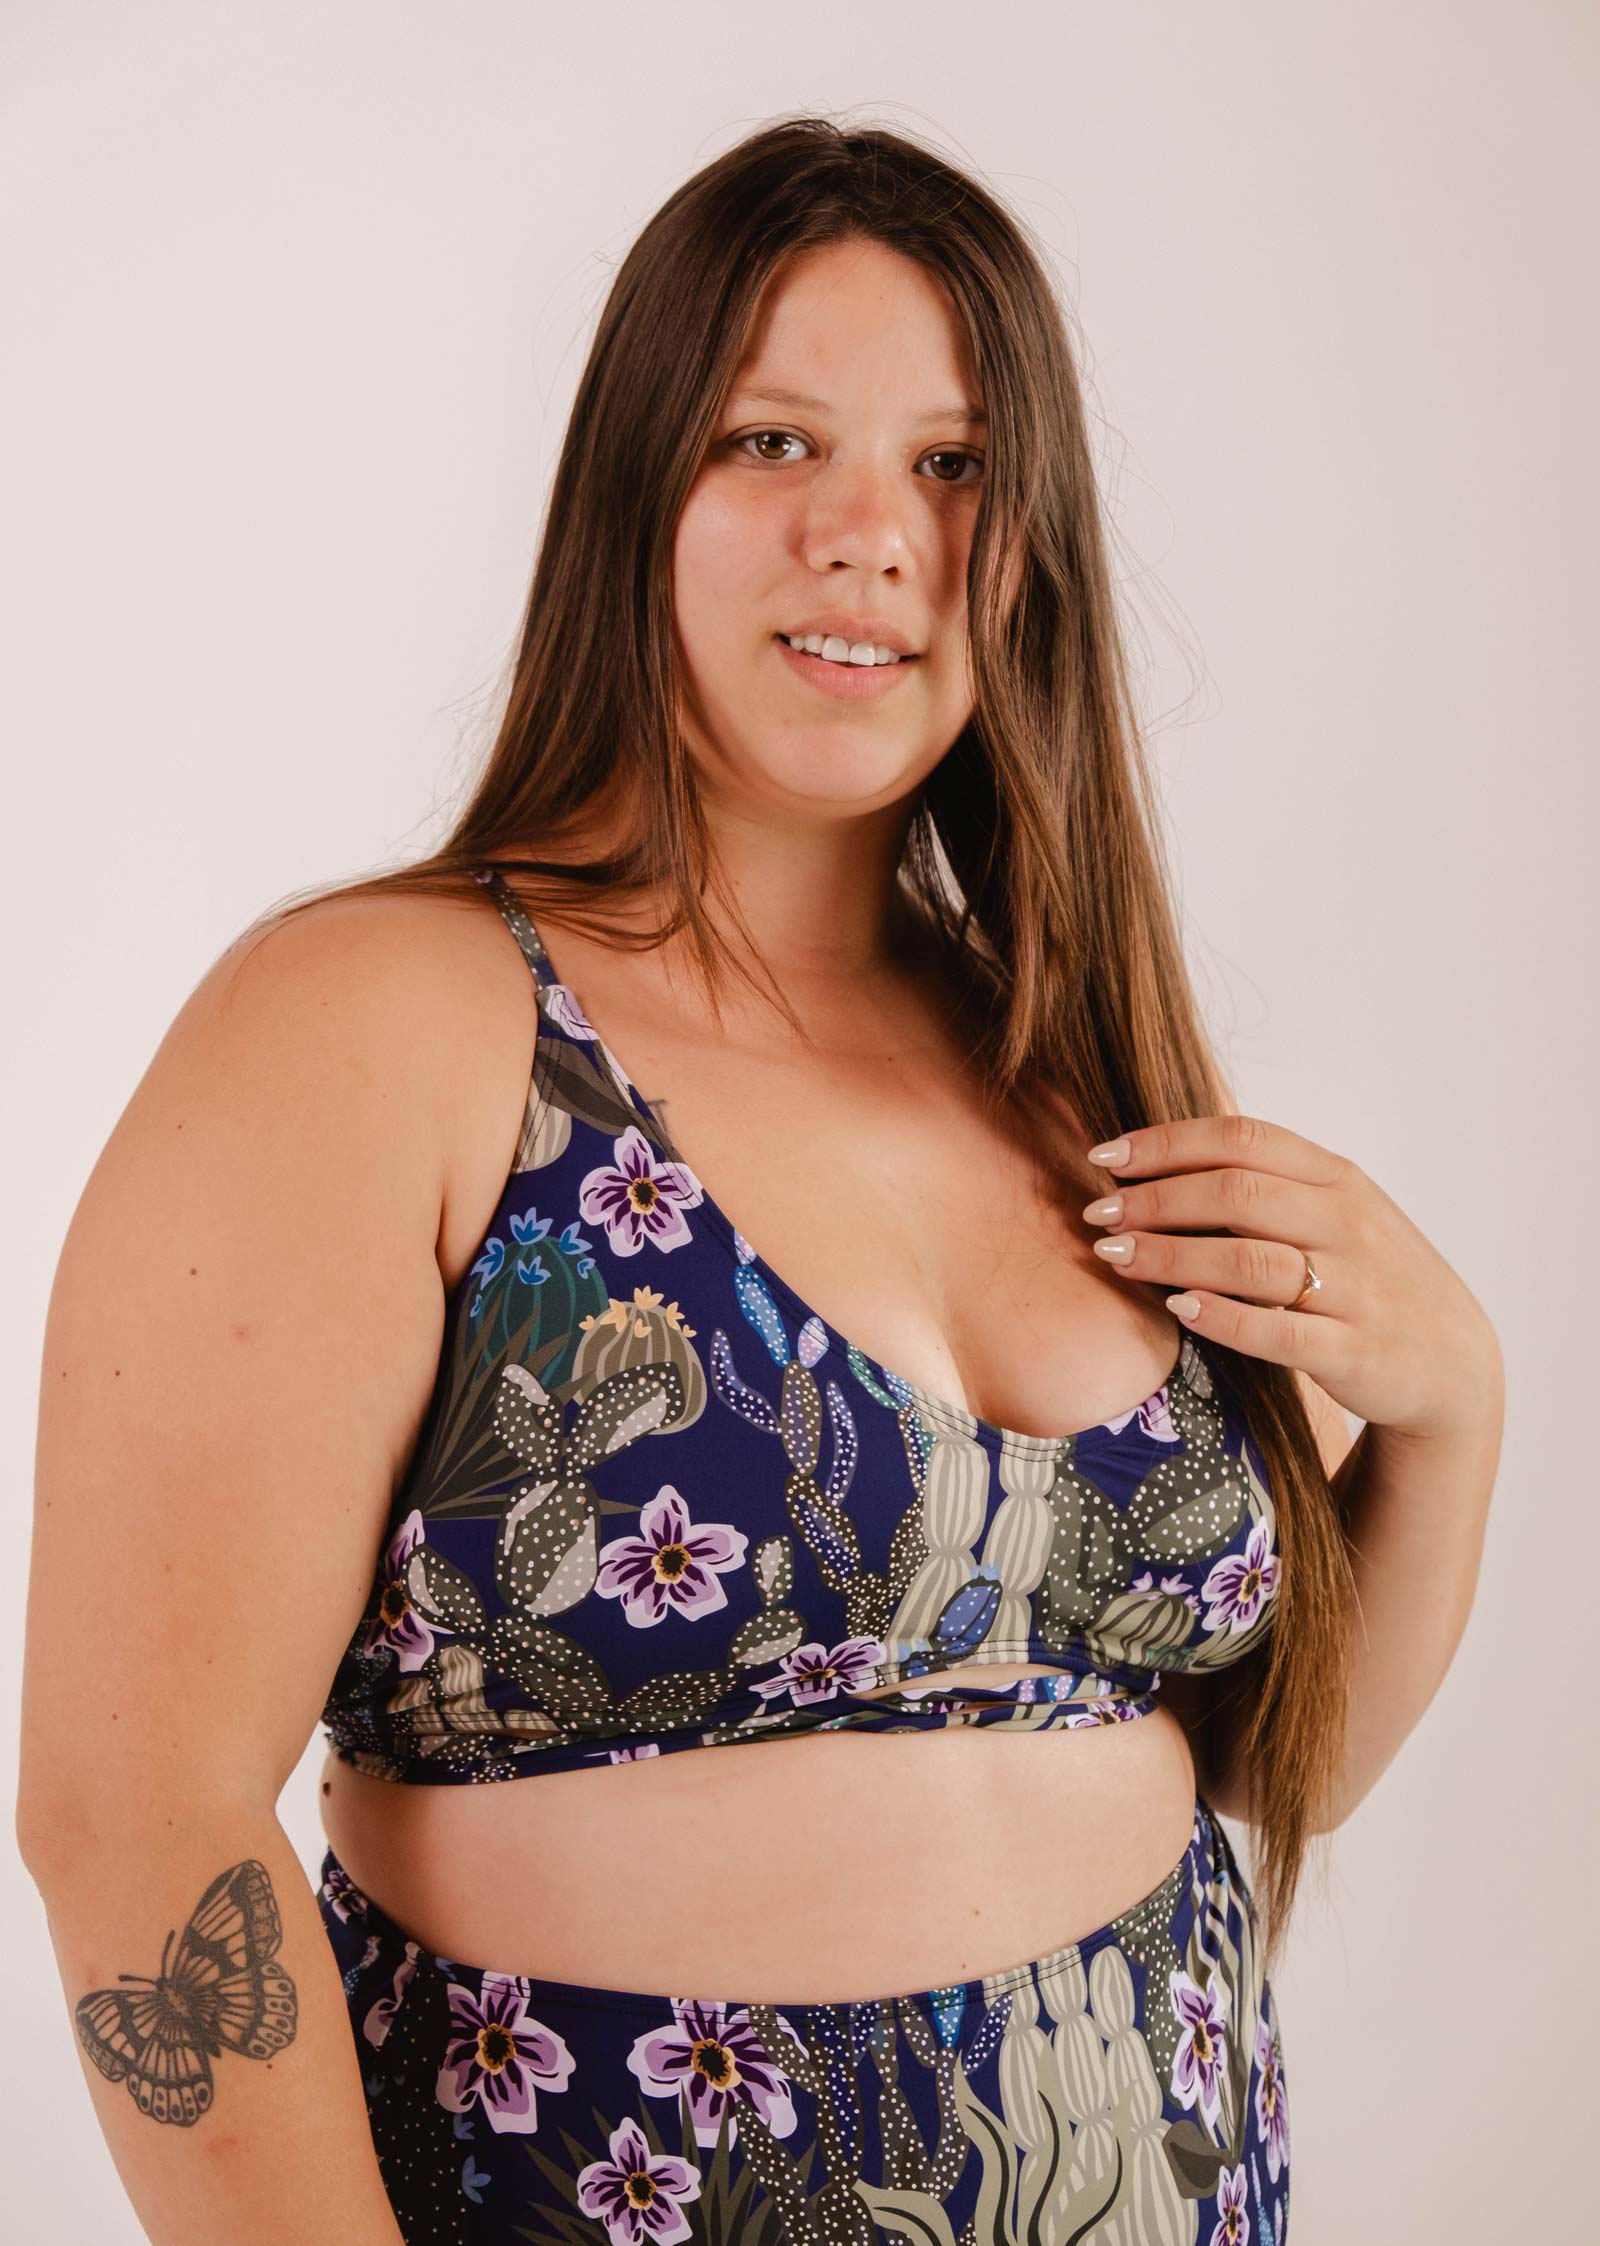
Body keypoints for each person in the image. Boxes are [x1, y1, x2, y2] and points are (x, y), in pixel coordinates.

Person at [18, 118, 1503, 2246]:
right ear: (638, 488)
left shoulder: (1058, 1063)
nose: (867, 536)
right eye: (772, 440)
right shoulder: (386, 1024)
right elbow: (130, 1819)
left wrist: (1452, 1409)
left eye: (951, 466)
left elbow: (1258, 1774)